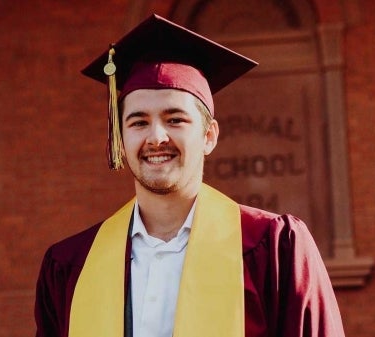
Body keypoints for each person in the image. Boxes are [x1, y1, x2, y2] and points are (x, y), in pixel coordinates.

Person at [34, 14, 345, 337]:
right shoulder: (70, 266)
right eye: (138, 122)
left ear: (209, 136)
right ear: (121, 139)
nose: (156, 137)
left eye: (175, 119)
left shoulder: (272, 250)